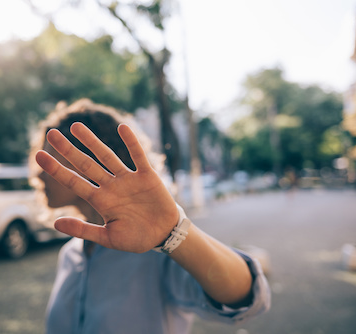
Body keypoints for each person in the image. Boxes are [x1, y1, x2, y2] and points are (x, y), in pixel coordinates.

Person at [30, 99, 270, 334]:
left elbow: (247, 297)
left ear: (89, 160)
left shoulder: (154, 248)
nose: (38, 175)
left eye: (48, 158)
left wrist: (172, 234)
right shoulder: (71, 254)